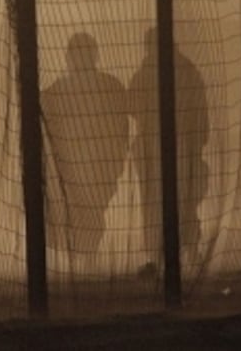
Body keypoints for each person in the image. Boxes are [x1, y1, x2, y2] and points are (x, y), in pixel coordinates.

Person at [41, 32, 131, 271]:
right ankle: (86, 256)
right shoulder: (111, 86)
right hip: (98, 165)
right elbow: (122, 127)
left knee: (82, 210)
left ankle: (82, 257)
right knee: (91, 210)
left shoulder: (56, 92)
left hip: (78, 165)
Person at [127, 27, 210, 275]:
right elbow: (201, 113)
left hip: (160, 145)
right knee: (183, 199)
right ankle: (186, 249)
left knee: (158, 201)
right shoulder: (187, 71)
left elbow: (132, 107)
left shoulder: (146, 73)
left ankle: (161, 253)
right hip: (176, 144)